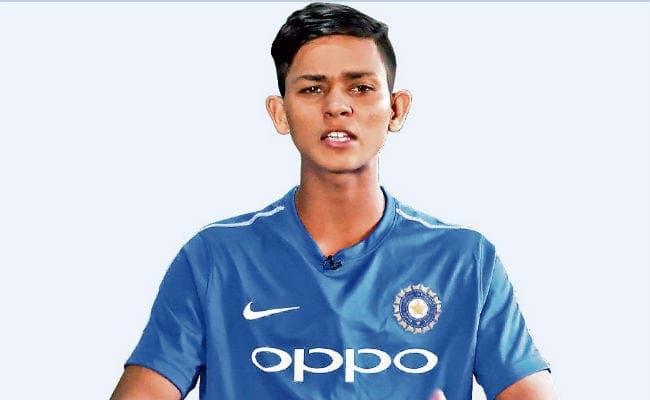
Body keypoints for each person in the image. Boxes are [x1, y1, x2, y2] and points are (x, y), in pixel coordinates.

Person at [111, 3, 557, 399]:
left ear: (397, 108)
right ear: (280, 113)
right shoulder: (214, 257)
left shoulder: (464, 259)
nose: (337, 106)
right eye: (312, 89)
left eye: (360, 87)